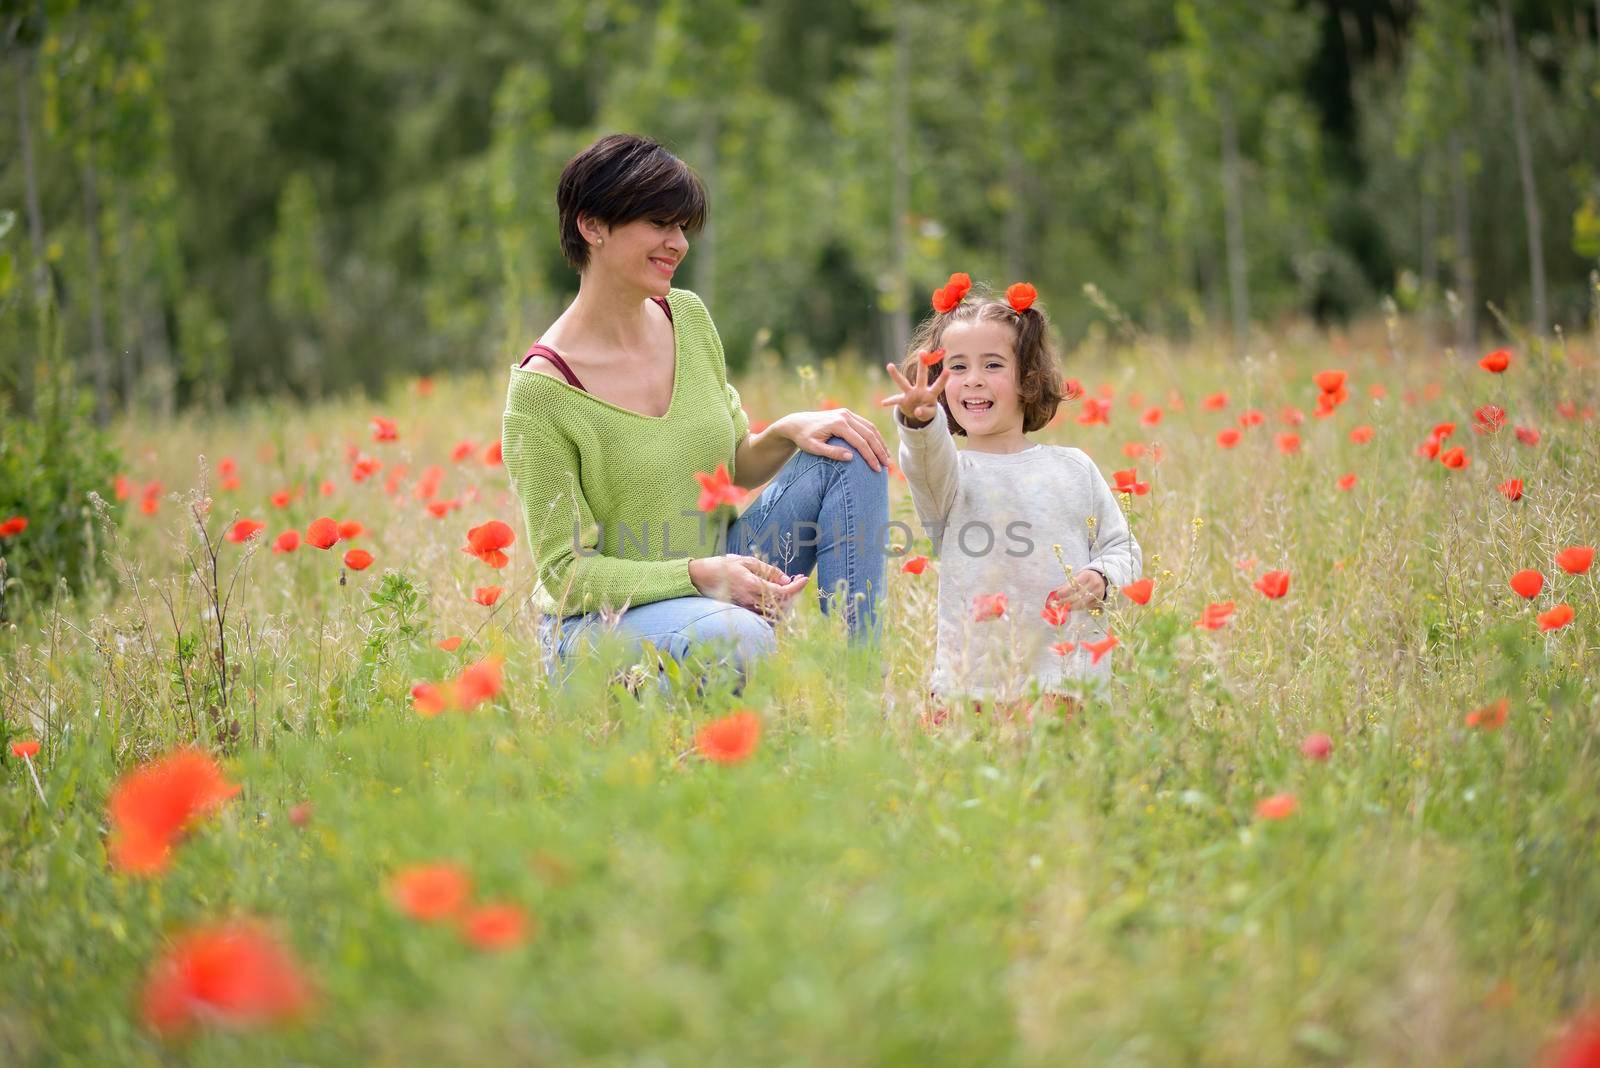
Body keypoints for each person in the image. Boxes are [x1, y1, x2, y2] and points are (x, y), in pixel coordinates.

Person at [500, 133, 889, 694]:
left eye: (682, 226)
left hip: (717, 573)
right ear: (592, 226)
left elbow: (735, 466)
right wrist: (695, 576)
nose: (678, 243)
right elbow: (566, 576)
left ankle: (859, 694)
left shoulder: (687, 316)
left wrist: (785, 431)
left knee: (849, 447)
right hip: (603, 623)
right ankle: (627, 702)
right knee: (740, 638)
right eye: (659, 223)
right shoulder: (542, 394)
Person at [881, 274, 1142, 719]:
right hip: (972, 686)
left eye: (993, 365)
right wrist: (920, 422)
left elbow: (1123, 549)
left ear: (1029, 378)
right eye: (957, 367)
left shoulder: (1073, 468)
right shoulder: (950, 477)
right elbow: (924, 460)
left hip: (1063, 679)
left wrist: (1102, 577)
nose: (973, 381)